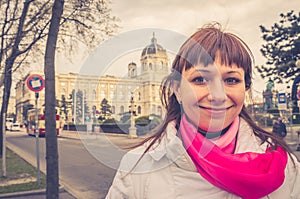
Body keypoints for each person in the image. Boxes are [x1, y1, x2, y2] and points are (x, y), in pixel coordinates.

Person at [106, 23, 300, 199]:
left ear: (245, 88)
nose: (218, 96)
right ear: (177, 90)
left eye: (231, 80)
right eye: (200, 79)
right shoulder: (136, 168)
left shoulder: (286, 167)